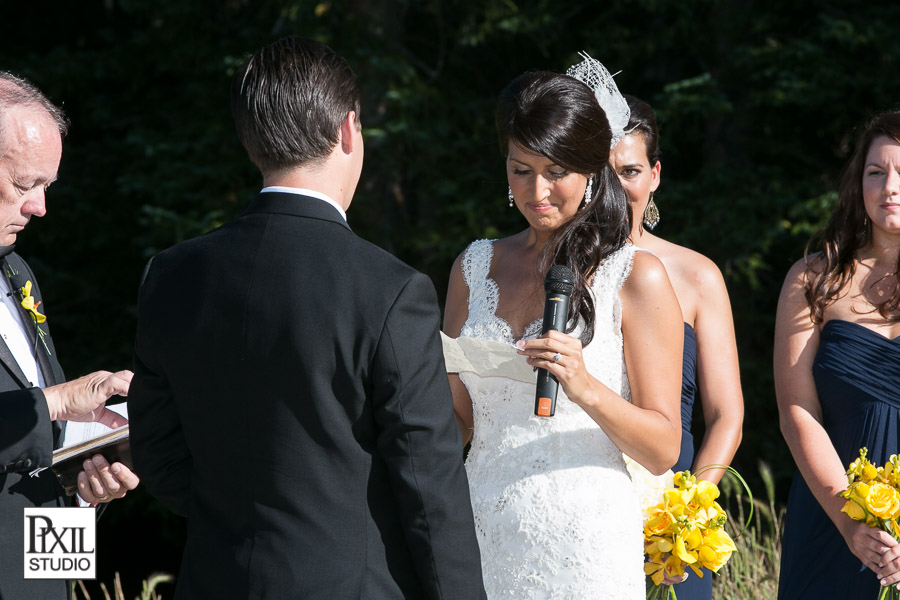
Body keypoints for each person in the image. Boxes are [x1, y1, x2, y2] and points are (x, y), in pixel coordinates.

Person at [127, 36, 486, 599]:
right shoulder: (390, 290)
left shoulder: (171, 275)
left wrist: (233, 518)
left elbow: (156, 449)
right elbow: (427, 483)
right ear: (348, 130)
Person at [442, 57, 684, 599]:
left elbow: (664, 448)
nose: (538, 191)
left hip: (585, 539)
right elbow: (456, 419)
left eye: (556, 172)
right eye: (520, 170)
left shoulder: (635, 275)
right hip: (483, 525)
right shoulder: (473, 267)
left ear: (592, 169)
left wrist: (584, 385)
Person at [0, 71, 139, 600]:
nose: (39, 207)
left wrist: (83, 494)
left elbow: (29, 458)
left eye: (46, 187)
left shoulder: (18, 274)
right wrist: (55, 402)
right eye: (24, 184)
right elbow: (40, 410)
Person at [604, 94, 745, 599]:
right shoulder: (552, 274)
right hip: (581, 502)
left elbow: (726, 413)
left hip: (670, 525)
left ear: (656, 175)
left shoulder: (696, 275)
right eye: (600, 170)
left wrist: (685, 512)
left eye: (630, 170)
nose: (614, 188)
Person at [775, 110, 900, 598]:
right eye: (877, 172)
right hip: (831, 516)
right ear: (857, 183)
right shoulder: (812, 280)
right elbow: (796, 411)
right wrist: (850, 521)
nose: (891, 186)